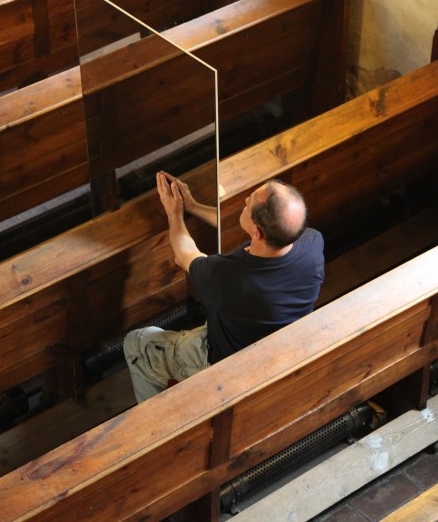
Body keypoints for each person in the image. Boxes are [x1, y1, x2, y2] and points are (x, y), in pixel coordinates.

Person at [123, 171, 324, 403]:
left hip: (228, 366)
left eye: (249, 203)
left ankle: (157, 423)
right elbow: (255, 235)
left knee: (137, 343)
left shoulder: (229, 278)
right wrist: (194, 206)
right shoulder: (312, 242)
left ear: (257, 233)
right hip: (276, 350)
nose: (245, 201)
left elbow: (184, 254)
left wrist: (174, 213)